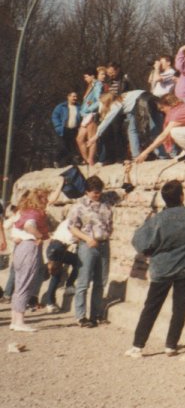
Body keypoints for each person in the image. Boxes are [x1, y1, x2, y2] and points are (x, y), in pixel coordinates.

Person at [124, 180, 185, 358]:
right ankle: (171, 345)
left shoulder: (157, 220)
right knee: (180, 308)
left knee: (151, 307)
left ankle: (138, 346)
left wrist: (153, 251)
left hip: (162, 270)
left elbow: (140, 243)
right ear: (182, 196)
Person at [68, 175, 118, 327]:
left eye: (99, 192)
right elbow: (72, 227)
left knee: (100, 282)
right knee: (83, 282)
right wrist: (87, 238)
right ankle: (81, 316)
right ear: (87, 191)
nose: (97, 195)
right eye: (94, 192)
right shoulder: (78, 206)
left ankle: (96, 314)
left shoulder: (106, 200)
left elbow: (125, 190)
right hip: (88, 245)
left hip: (104, 244)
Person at [8, 188, 50, 332]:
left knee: (19, 284)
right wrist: (39, 236)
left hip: (20, 249)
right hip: (30, 248)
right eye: (45, 198)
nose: (47, 201)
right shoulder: (35, 214)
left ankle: (14, 319)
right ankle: (19, 321)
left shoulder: (25, 212)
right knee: (26, 284)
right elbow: (29, 226)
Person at [134, 94, 185, 163]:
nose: (161, 110)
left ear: (169, 105)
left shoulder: (177, 113)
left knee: (174, 131)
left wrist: (144, 153)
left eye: (162, 108)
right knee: (178, 130)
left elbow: (163, 136)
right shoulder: (182, 107)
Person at [89, 90, 161, 161]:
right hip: (148, 96)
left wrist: (96, 135)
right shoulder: (122, 97)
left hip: (141, 102)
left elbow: (107, 120)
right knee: (157, 126)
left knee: (133, 130)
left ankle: (136, 155)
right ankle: (165, 154)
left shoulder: (116, 104)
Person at [41, 212, 79, 314]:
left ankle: (68, 286)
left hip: (57, 247)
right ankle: (50, 302)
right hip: (57, 248)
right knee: (56, 275)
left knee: (75, 262)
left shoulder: (66, 221)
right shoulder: (73, 222)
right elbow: (71, 238)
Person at [77, 67, 106, 166]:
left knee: (91, 138)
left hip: (91, 114)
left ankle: (90, 160)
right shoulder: (90, 85)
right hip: (85, 115)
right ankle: (87, 160)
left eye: (86, 77)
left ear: (92, 76)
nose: (85, 79)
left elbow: (99, 101)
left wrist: (89, 109)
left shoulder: (97, 85)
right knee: (79, 139)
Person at [51, 91, 81, 167]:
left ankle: (69, 163)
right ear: (68, 97)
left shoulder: (78, 107)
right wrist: (57, 125)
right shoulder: (61, 106)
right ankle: (56, 160)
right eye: (73, 96)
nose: (75, 98)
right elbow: (54, 116)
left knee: (73, 147)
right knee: (64, 146)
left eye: (76, 97)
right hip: (64, 129)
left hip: (74, 129)